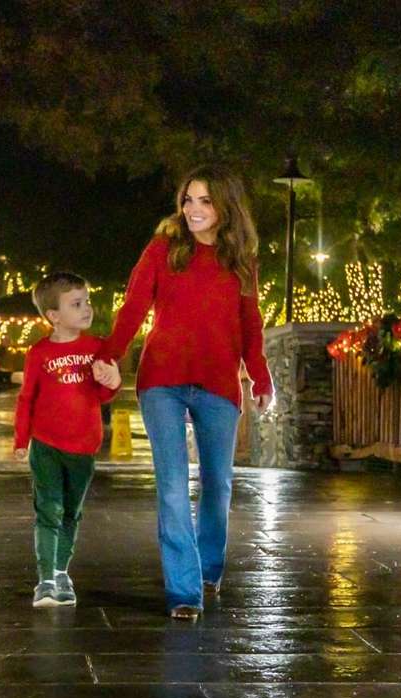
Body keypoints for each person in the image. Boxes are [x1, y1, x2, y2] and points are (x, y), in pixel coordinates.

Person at [99, 164, 273, 620]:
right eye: (188, 200)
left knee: (218, 484)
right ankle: (184, 590)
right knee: (173, 487)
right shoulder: (164, 248)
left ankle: (208, 565)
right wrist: (112, 353)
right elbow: (134, 304)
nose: (193, 210)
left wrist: (260, 374)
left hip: (218, 383)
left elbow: (249, 325)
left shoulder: (242, 259)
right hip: (163, 381)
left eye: (205, 201)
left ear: (226, 206)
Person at [13, 271, 121, 607]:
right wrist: (20, 440)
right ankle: (45, 579)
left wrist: (111, 379)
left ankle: (62, 571)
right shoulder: (39, 354)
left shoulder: (97, 347)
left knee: (72, 512)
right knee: (48, 509)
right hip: (45, 445)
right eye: (77, 304)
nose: (87, 308)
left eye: (87, 301)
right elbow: (26, 398)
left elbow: (104, 395)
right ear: (54, 316)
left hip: (84, 446)